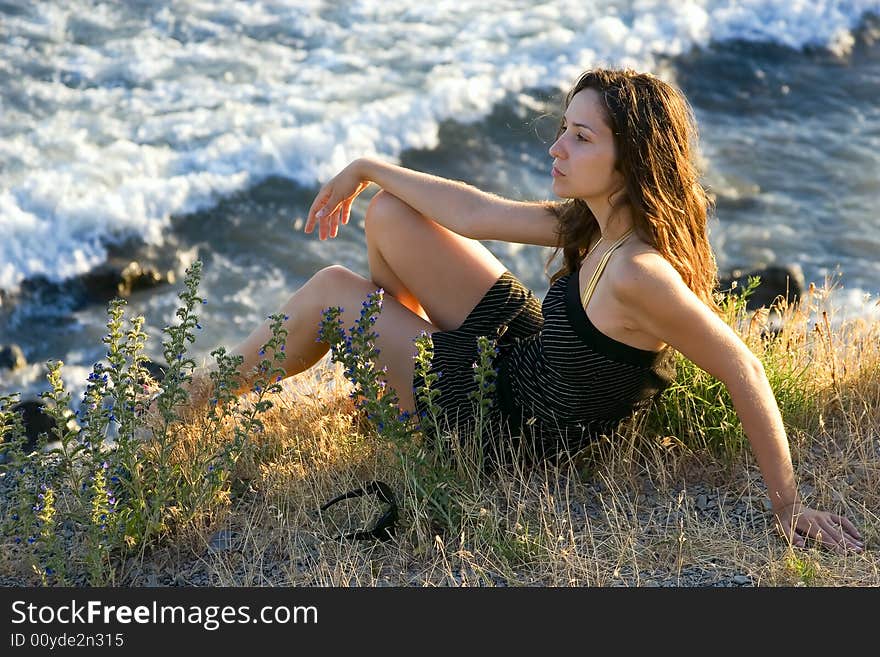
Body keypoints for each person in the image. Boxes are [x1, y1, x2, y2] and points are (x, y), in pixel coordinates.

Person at [180, 68, 863, 555]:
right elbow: (475, 212)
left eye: (580, 139)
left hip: (505, 427)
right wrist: (368, 167)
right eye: (563, 130)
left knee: (332, 288)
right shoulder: (597, 226)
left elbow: (741, 364)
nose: (556, 149)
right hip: (525, 356)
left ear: (630, 159)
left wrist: (789, 504)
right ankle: (395, 397)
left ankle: (185, 403)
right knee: (392, 214)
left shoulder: (640, 273)